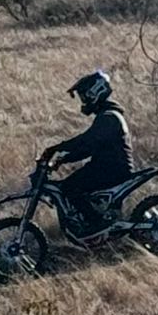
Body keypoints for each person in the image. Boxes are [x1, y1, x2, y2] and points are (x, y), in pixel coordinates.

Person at [42, 70, 134, 235]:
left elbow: (86, 141)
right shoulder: (106, 116)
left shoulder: (109, 117)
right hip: (107, 166)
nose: (83, 101)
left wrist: (57, 148)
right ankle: (94, 220)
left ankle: (96, 224)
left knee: (69, 188)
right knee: (72, 185)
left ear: (95, 93)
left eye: (84, 96)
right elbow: (89, 147)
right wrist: (64, 159)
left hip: (112, 168)